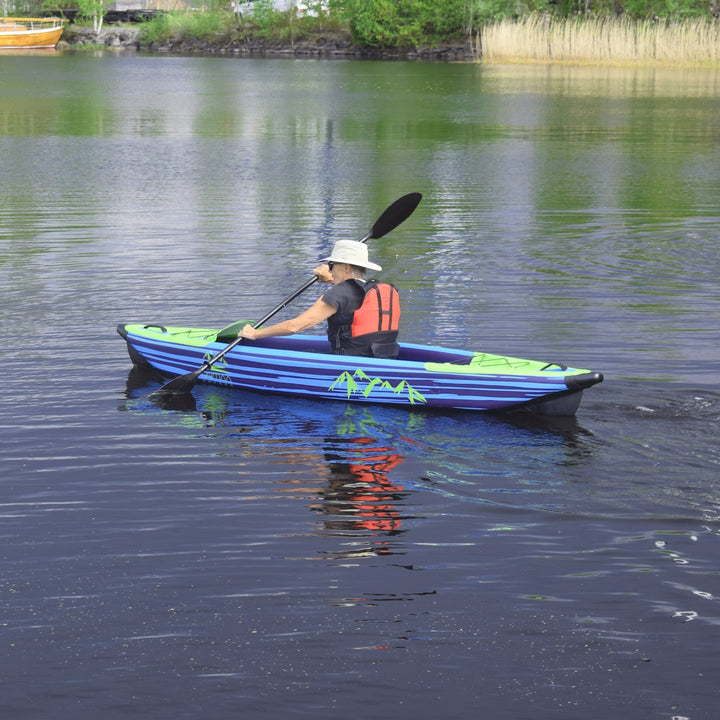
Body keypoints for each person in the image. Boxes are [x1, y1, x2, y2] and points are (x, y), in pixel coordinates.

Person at [239, 240, 401, 358]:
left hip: (349, 364)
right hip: (384, 357)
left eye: (331, 266)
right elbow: (352, 293)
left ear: (346, 268)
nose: (330, 271)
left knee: (304, 354)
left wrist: (255, 334)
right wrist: (332, 279)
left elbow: (294, 327)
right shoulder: (375, 288)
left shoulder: (339, 294)